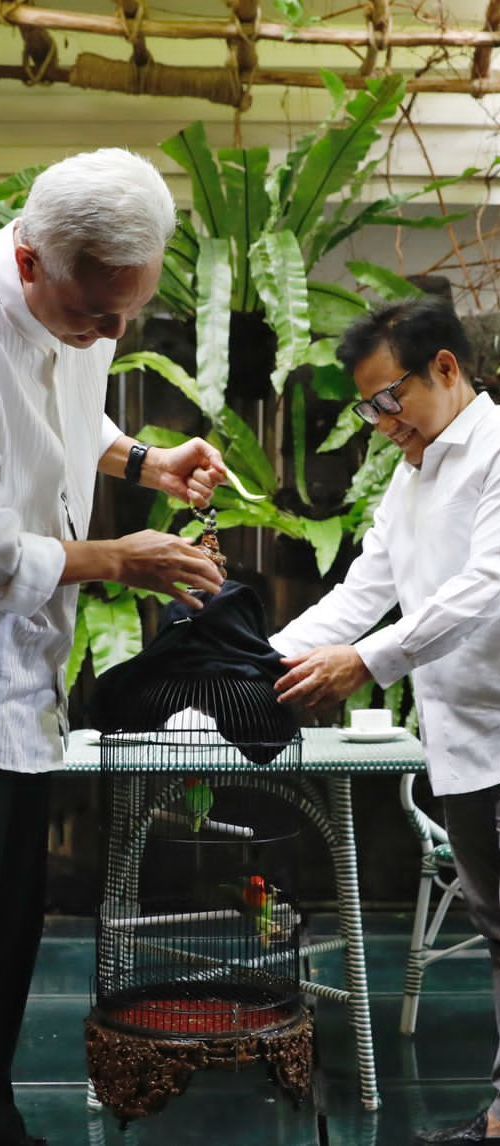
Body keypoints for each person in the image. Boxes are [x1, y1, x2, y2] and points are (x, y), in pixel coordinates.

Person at [0, 149, 226, 1146]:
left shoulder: (79, 292)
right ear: (30, 264)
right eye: (96, 316)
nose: (109, 334)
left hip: (20, 672)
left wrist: (142, 460)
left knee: (4, 939)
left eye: (125, 316)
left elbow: (61, 415)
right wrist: (119, 558)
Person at [270, 296, 500, 1145]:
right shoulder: (412, 477)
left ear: (446, 368)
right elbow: (365, 593)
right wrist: (257, 663)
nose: (378, 422)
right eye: (367, 406)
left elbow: (485, 588)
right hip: (465, 743)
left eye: (387, 398)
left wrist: (368, 662)